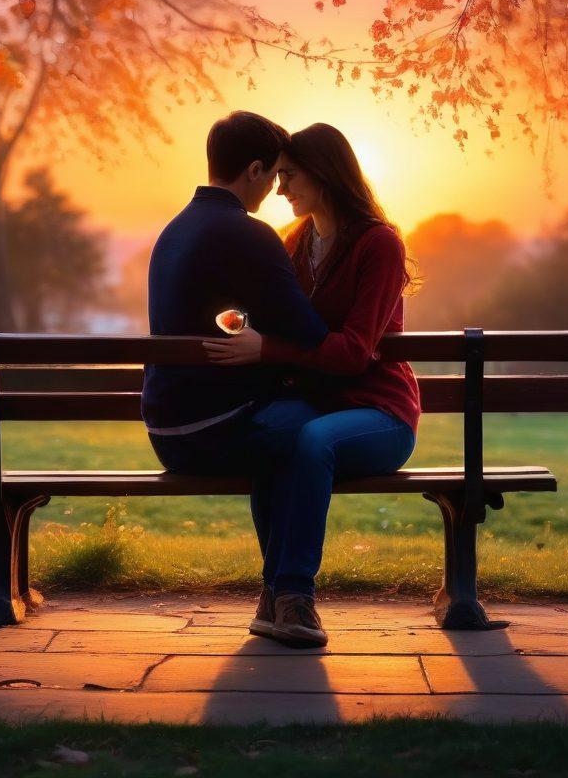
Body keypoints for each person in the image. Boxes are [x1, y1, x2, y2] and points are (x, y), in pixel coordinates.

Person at [204, 123, 421, 648]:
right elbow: (275, 318)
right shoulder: (295, 243)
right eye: (277, 177)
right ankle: (276, 595)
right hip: (315, 407)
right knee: (269, 439)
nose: (279, 190)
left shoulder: (378, 244)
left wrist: (268, 349)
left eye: (290, 176)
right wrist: (234, 320)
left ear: (325, 174)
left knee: (309, 441)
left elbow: (353, 353)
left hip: (378, 412)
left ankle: (293, 596)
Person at [142, 110, 328, 644]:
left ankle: (278, 596)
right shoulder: (249, 235)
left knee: (287, 431)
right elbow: (308, 330)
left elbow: (222, 319)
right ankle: (291, 598)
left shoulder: (174, 230)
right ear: (253, 169)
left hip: (167, 433)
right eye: (272, 176)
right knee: (306, 434)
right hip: (218, 429)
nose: (274, 189)